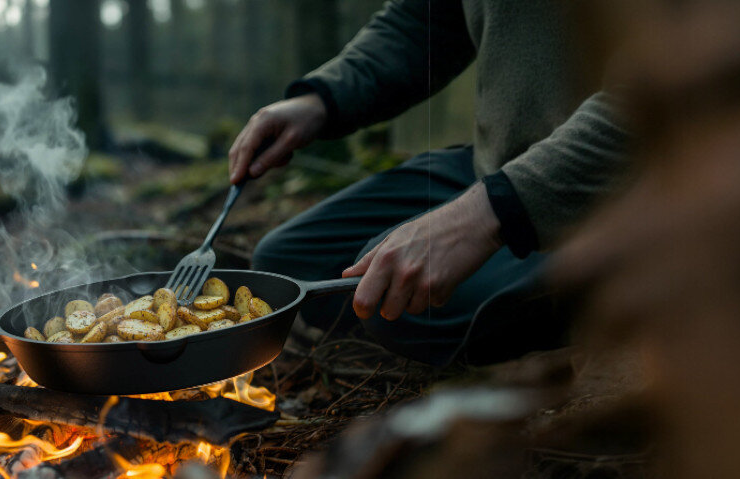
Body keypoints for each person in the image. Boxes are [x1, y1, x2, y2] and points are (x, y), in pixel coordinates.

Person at [231, 1, 630, 365]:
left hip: (619, 192)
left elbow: (653, 96)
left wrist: (486, 214)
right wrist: (322, 99)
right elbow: (423, 21)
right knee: (289, 267)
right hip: (494, 166)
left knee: (394, 304)